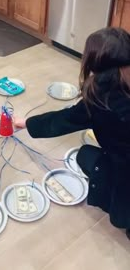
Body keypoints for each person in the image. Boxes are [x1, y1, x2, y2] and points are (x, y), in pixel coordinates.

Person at [14, 27, 130, 239]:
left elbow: (61, 120)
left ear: (93, 62)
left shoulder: (100, 96)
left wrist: (26, 123)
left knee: (84, 156)